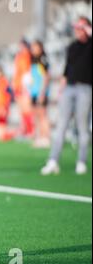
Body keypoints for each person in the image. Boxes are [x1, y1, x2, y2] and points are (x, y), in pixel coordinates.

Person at [41, 17, 92, 175]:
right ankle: (53, 161)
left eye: (81, 28)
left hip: (85, 88)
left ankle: (81, 161)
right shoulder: (72, 47)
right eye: (76, 28)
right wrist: (61, 90)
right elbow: (66, 70)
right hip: (69, 88)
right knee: (61, 125)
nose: (77, 31)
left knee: (82, 126)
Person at [26, 40, 51, 148]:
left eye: (35, 47)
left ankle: (46, 137)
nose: (33, 50)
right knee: (36, 115)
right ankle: (39, 136)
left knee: (42, 115)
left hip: (41, 92)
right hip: (34, 91)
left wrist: (42, 92)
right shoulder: (32, 60)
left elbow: (46, 77)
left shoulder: (43, 60)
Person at [12, 39, 34, 138]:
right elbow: (17, 71)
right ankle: (25, 130)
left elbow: (27, 73)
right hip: (18, 85)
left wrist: (26, 85)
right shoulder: (19, 56)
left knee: (27, 109)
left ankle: (30, 131)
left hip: (25, 85)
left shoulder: (29, 56)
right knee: (21, 110)